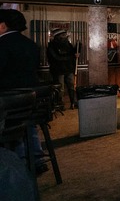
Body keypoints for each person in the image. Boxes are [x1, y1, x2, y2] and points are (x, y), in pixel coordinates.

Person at [0, 9, 47, 173]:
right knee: (29, 124)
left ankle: (17, 161)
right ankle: (37, 157)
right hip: (30, 100)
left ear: (3, 26)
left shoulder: (2, 44)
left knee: (11, 126)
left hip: (9, 101)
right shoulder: (31, 44)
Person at [47, 29, 79, 109]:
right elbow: (57, 57)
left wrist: (77, 51)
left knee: (72, 86)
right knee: (60, 89)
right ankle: (60, 104)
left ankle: (74, 102)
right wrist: (71, 56)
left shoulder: (68, 44)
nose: (65, 36)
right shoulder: (52, 45)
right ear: (58, 36)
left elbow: (72, 53)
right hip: (58, 70)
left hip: (69, 69)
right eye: (63, 35)